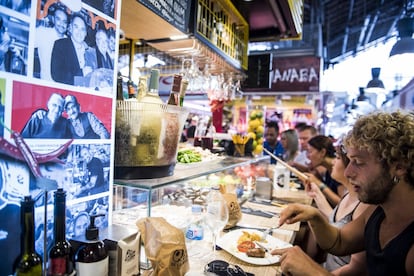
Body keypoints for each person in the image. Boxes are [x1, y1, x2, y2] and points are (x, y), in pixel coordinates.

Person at [272, 110, 414, 276]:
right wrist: (314, 216)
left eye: (358, 162)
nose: (348, 172)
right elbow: (340, 241)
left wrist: (314, 271)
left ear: (399, 167)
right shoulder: (378, 211)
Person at [303, 138, 371, 274]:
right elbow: (336, 221)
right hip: (326, 268)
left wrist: (312, 270)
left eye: (337, 158)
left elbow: (356, 268)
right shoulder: (347, 194)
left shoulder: (365, 205)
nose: (333, 161)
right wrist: (317, 194)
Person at [51, 13, 97, 85]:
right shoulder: (61, 45)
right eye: (76, 27)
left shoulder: (90, 52)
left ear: (85, 33)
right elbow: (57, 75)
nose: (79, 32)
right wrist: (81, 73)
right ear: (70, 28)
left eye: (82, 29)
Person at [306, 135, 343, 206]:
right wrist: (316, 177)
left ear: (322, 152)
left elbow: (341, 204)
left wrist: (318, 183)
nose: (308, 156)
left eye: (310, 152)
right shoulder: (328, 170)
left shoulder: (338, 168)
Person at [34, 3, 69, 81]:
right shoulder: (42, 32)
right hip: (46, 85)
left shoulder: (68, 42)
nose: (61, 24)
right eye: (58, 19)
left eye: (64, 21)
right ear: (53, 19)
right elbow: (28, 42)